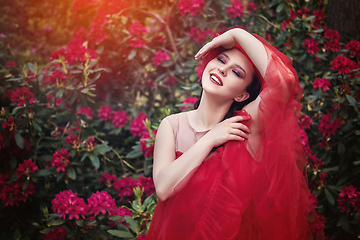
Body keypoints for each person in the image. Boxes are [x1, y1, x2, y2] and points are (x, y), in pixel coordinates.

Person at [147, 28, 324, 240]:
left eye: (236, 72)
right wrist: (212, 138)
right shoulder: (172, 125)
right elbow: (164, 188)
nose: (223, 70)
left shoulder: (245, 126)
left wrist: (237, 34)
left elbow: (283, 82)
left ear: (242, 95)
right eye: (221, 60)